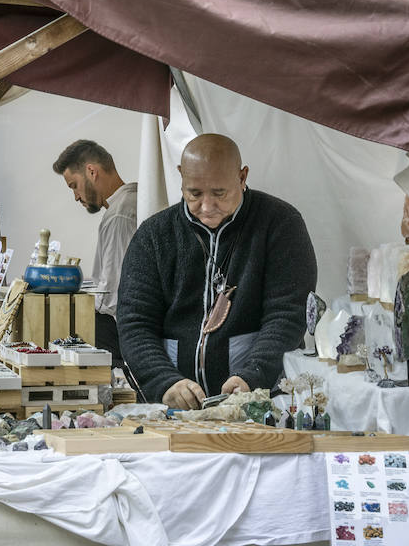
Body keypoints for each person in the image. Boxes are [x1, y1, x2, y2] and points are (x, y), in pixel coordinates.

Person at [117, 134, 317, 410]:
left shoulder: (280, 224)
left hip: (259, 401)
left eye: (220, 193)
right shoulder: (154, 235)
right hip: (172, 406)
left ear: (242, 177)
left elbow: (288, 315)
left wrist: (252, 376)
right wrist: (163, 381)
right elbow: (134, 321)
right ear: (181, 177)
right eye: (194, 193)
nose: (207, 207)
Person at [52, 140, 137, 361]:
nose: (76, 197)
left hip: (124, 332)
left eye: (74, 186)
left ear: (91, 171)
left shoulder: (120, 215)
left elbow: (112, 296)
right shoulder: (133, 199)